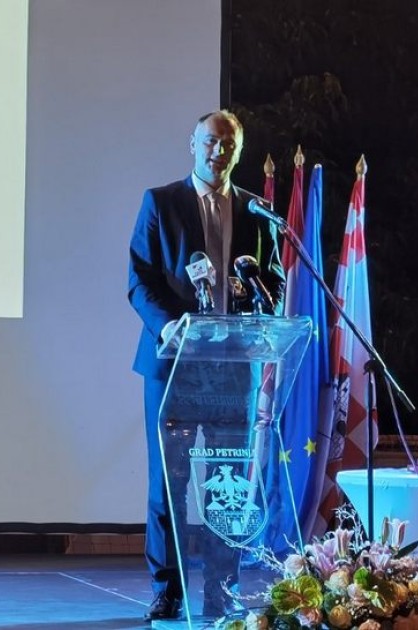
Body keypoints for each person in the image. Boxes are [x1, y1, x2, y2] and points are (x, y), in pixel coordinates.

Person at [128, 110, 285, 622]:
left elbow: (275, 279)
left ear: (239, 151)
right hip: (174, 362)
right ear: (193, 144)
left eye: (229, 144)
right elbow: (140, 278)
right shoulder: (161, 202)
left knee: (227, 487)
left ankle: (222, 588)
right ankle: (168, 590)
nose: (219, 152)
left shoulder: (256, 211)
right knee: (168, 483)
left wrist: (262, 309)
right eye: (211, 142)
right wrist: (169, 325)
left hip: (232, 367)